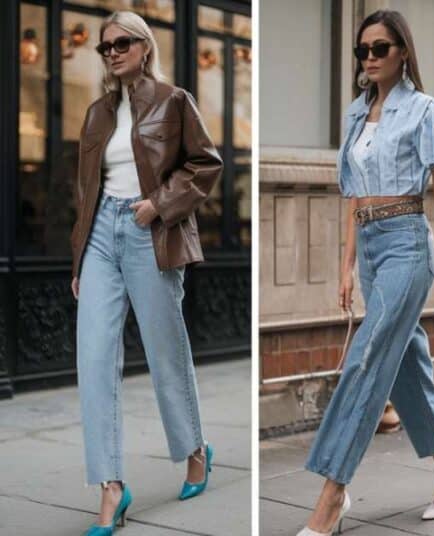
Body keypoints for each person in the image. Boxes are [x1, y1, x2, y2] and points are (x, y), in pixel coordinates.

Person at [297, 9, 434, 536]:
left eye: (379, 48)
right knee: (407, 365)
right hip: (370, 247)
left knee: (367, 357)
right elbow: (352, 195)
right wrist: (346, 264)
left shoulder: (427, 112)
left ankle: (333, 492)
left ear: (402, 53)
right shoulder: (355, 115)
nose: (369, 58)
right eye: (362, 50)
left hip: (406, 245)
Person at [71, 10, 222, 536]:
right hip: (99, 240)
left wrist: (158, 203)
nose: (112, 52)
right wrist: (78, 260)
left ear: (143, 45)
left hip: (148, 232)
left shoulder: (173, 100)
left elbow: (206, 164)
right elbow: (84, 192)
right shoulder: (96, 113)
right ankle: (111, 485)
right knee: (92, 358)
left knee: (164, 353)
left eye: (121, 43)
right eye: (104, 47)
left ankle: (194, 448)